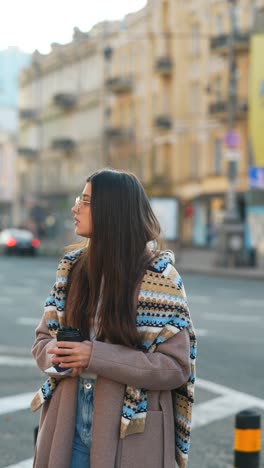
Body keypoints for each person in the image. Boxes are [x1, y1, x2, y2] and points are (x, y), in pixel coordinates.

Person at [31, 168, 197, 468]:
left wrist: (94, 356)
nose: (75, 207)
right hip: (68, 419)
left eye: (85, 200)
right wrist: (54, 354)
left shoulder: (160, 278)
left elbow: (175, 367)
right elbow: (42, 340)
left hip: (132, 429)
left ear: (113, 209)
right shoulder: (71, 268)